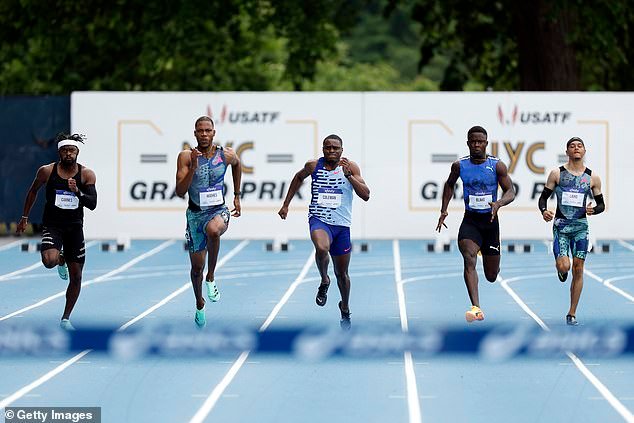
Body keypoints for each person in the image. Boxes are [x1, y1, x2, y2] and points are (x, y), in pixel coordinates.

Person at [278, 134, 370, 330]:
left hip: (342, 226)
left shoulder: (350, 167)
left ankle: (344, 307)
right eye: (327, 147)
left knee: (342, 274)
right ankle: (324, 279)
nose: (331, 151)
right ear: (323, 149)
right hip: (319, 220)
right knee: (321, 247)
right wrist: (286, 204)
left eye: (335, 148)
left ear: (341, 150)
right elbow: (298, 177)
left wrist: (349, 176)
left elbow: (366, 195)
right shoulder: (313, 166)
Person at [16, 133, 97, 331]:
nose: (69, 154)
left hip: (75, 227)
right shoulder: (47, 171)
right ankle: (61, 259)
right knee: (49, 261)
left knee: (76, 277)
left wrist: (77, 191)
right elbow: (33, 191)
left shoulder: (86, 174)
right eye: (65, 150)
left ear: (77, 152)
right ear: (59, 152)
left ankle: (65, 319)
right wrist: (25, 217)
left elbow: (93, 204)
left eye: (72, 150)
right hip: (53, 225)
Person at [436, 126, 515, 323]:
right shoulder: (459, 165)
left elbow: (510, 191)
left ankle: (487, 257)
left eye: (480, 141)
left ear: (486, 143)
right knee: (469, 258)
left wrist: (499, 203)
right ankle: (476, 307)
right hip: (470, 221)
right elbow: (449, 184)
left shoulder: (497, 166)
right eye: (473, 141)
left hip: (490, 223)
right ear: (468, 143)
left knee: (491, 275)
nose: (477, 144)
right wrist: (444, 210)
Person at [176, 116, 242, 328]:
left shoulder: (226, 154)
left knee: (214, 231)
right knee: (196, 268)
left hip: (218, 211)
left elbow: (238, 164)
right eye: (200, 131)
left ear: (214, 133)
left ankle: (211, 277)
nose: (204, 134)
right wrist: (193, 167)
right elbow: (179, 192)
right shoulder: (186, 157)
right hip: (195, 215)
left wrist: (237, 195)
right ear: (194, 133)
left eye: (208, 130)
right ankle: (199, 303)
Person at [538, 137, 604, 326]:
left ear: (584, 151)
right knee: (565, 267)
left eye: (580, 146)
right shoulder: (557, 174)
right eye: (572, 146)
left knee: (578, 269)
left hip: (581, 228)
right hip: (561, 226)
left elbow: (602, 205)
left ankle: (572, 312)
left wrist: (593, 210)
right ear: (567, 152)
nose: (576, 148)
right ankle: (561, 270)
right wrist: (544, 211)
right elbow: (542, 199)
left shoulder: (592, 178)